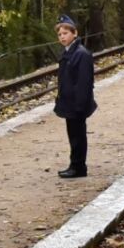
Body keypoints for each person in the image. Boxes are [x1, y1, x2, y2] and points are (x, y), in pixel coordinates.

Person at [53, 15, 96, 178]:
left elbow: (84, 82)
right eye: (60, 34)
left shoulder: (81, 54)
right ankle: (75, 164)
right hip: (69, 103)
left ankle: (78, 167)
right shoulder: (68, 53)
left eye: (65, 33)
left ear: (75, 33)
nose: (62, 37)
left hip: (77, 104)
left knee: (78, 136)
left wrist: (80, 105)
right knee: (73, 135)